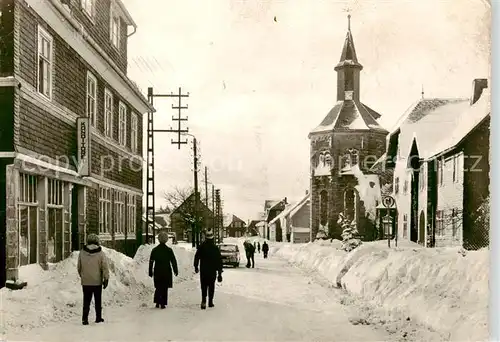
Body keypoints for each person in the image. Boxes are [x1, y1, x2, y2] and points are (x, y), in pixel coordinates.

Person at [77, 233, 109, 326]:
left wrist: (83, 275)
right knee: (98, 300)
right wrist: (106, 279)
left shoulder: (82, 252)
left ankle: (84, 319)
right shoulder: (100, 253)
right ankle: (98, 317)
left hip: (86, 281)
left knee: (86, 301)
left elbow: (79, 267)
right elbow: (105, 267)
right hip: (97, 281)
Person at [193, 229, 223, 310]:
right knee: (211, 286)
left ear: (206, 238)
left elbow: (196, 257)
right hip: (212, 271)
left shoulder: (202, 247)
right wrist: (220, 273)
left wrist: (196, 266)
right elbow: (219, 261)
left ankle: (203, 301)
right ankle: (210, 302)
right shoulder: (215, 248)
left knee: (204, 286)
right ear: (212, 238)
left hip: (204, 270)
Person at [149, 231, 179, 309]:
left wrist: (150, 271)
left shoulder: (155, 250)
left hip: (157, 270)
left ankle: (157, 302)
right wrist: (175, 270)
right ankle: (163, 303)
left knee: (158, 286)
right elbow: (173, 261)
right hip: (166, 270)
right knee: (164, 287)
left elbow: (151, 261)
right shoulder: (169, 250)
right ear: (166, 239)